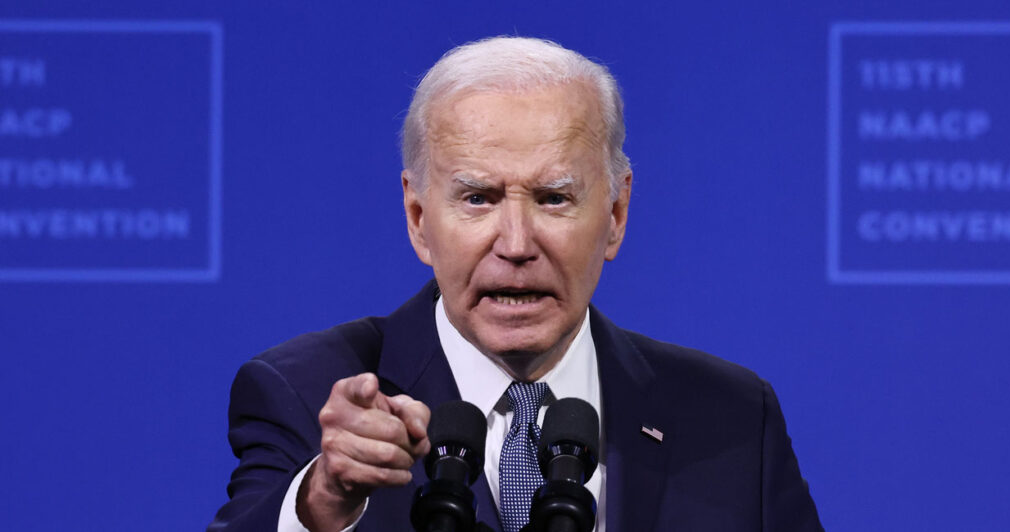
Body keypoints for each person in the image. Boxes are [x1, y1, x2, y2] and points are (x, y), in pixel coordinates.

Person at [209, 36, 823, 532]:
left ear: (615, 214)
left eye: (554, 198)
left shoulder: (732, 417)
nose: (517, 243)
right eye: (478, 198)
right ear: (419, 220)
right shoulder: (305, 392)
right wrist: (320, 503)